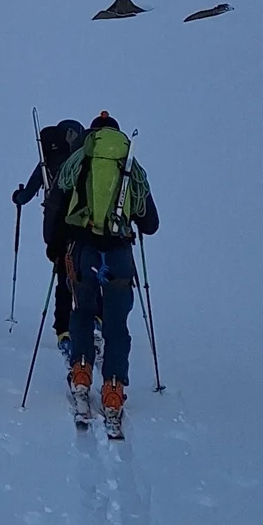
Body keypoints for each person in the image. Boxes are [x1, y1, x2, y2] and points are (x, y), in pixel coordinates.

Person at [53, 112, 159, 438]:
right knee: (116, 323)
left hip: (84, 251)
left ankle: (82, 374)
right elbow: (151, 223)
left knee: (83, 313)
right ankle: (113, 389)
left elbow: (59, 199)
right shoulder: (130, 166)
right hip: (119, 254)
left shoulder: (79, 159)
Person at [13, 120, 86, 353]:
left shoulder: (48, 162)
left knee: (63, 273)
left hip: (54, 228)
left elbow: (29, 192)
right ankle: (92, 321)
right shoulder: (83, 160)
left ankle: (62, 329)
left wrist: (19, 197)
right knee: (85, 272)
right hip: (82, 226)